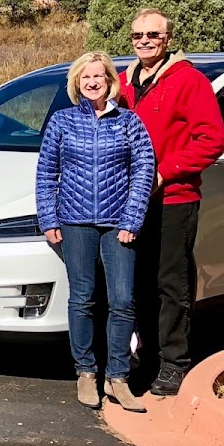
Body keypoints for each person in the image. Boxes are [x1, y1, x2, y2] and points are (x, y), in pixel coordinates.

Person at [37, 51, 156, 412]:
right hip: (74, 222)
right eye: (85, 77)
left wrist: (132, 219)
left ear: (110, 82)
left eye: (98, 77)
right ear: (77, 83)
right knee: (83, 298)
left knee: (122, 300)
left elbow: (144, 170)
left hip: (118, 224)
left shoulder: (129, 122)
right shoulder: (62, 121)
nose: (92, 82)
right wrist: (49, 218)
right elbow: (46, 173)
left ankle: (117, 378)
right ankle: (86, 373)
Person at [119, 8, 224, 396]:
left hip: (174, 199)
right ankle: (145, 357)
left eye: (153, 35)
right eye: (137, 35)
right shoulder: (123, 83)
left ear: (167, 40)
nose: (145, 41)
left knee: (170, 284)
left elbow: (211, 140)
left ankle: (174, 363)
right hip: (129, 201)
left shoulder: (190, 82)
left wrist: (165, 172)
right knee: (138, 283)